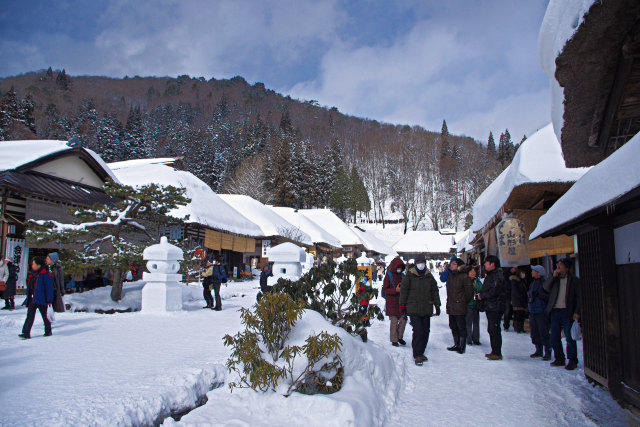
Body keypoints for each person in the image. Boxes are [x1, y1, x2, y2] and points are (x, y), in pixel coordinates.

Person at [399, 254, 441, 366]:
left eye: (422, 262)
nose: (421, 264)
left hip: (427, 307)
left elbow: (434, 290)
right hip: (413, 307)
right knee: (418, 330)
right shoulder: (410, 275)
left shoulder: (429, 276)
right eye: (419, 262)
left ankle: (421, 351)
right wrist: (402, 305)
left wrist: (437, 305)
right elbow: (404, 291)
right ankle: (417, 354)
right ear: (416, 263)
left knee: (426, 331)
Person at [544, 257, 581, 370]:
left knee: (569, 337)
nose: (558, 267)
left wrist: (577, 312)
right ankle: (559, 358)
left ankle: (572, 360)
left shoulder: (574, 280)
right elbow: (545, 288)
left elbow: (579, 297)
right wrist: (553, 277)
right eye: (557, 265)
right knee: (554, 337)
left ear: (567, 267)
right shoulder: (555, 278)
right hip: (555, 310)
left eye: (560, 265)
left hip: (567, 311)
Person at [477, 255, 506, 360]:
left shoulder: (497, 276)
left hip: (495, 306)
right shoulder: (491, 275)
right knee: (492, 329)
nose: (484, 265)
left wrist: (482, 295)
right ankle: (494, 350)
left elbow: (494, 291)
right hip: (490, 306)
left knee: (494, 329)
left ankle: (497, 352)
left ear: (492, 264)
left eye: (486, 263)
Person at [20, 256, 54, 339]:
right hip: (33, 298)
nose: (32, 266)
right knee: (30, 315)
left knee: (44, 316)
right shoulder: (32, 274)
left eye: (34, 264)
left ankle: (48, 330)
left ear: (39, 265)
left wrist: (49, 300)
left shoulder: (45, 275)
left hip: (42, 299)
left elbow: (49, 288)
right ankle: (26, 333)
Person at [446, 258, 474, 354]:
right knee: (453, 326)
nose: (451, 265)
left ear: (458, 266)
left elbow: (469, 293)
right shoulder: (450, 276)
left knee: (461, 326)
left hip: (460, 306)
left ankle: (462, 346)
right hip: (451, 305)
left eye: (453, 264)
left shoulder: (464, 277)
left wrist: (462, 301)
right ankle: (456, 344)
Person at [528, 265, 551, 360]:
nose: (532, 272)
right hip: (533, 310)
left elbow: (548, 296)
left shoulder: (544, 283)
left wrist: (539, 295)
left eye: (534, 271)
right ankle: (538, 349)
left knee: (543, 331)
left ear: (538, 273)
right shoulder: (533, 283)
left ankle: (547, 351)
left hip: (541, 310)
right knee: (535, 331)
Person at [383, 256, 406, 347]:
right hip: (392, 302)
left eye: (401, 268)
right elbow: (385, 289)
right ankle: (394, 339)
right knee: (394, 321)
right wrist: (394, 290)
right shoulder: (389, 275)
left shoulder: (403, 276)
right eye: (398, 267)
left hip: (401, 302)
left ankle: (399, 337)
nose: (399, 269)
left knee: (403, 320)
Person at [465, 265, 483, 345]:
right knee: (468, 323)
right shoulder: (465, 281)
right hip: (468, 304)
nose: (473, 273)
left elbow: (481, 289)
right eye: (471, 272)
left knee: (476, 322)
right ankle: (468, 339)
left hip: (476, 304)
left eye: (474, 271)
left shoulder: (477, 281)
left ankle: (476, 339)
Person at [509, 267, 528, 333]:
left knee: (521, 314)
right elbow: (516, 292)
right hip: (518, 300)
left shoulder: (521, 281)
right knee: (518, 314)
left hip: (520, 300)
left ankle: (520, 327)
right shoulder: (515, 281)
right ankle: (518, 328)